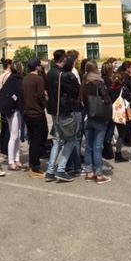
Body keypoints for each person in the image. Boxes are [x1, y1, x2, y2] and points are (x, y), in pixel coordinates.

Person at [45, 49, 79, 182]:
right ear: (64, 60)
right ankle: (61, 169)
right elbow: (74, 92)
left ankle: (50, 170)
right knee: (71, 139)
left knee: (58, 140)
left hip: (54, 110)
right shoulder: (63, 75)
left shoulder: (50, 73)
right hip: (64, 110)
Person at [80, 60, 111, 184]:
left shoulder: (84, 82)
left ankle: (89, 172)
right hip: (98, 117)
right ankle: (99, 174)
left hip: (87, 116)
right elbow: (106, 99)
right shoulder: (98, 82)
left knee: (88, 146)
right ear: (95, 69)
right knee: (97, 147)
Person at [22, 57, 48, 178]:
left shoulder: (25, 79)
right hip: (37, 113)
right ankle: (35, 165)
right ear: (37, 67)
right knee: (38, 140)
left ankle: (33, 163)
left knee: (33, 140)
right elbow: (40, 96)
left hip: (28, 113)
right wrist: (45, 104)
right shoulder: (38, 79)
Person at [0, 62, 24, 171]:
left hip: (15, 109)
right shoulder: (14, 79)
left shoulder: (14, 78)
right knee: (13, 135)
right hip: (13, 110)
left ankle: (17, 159)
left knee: (17, 135)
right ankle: (11, 161)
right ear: (18, 69)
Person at [110, 71, 131, 163]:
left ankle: (118, 154)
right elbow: (130, 100)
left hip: (117, 115)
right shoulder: (124, 88)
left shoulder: (111, 89)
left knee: (121, 134)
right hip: (126, 113)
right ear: (122, 79)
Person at [0, 58, 12, 162]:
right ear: (9, 65)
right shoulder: (9, 76)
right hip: (7, 105)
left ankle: (2, 150)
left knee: (4, 128)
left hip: (1, 104)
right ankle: (6, 151)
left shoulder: (0, 76)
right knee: (8, 129)